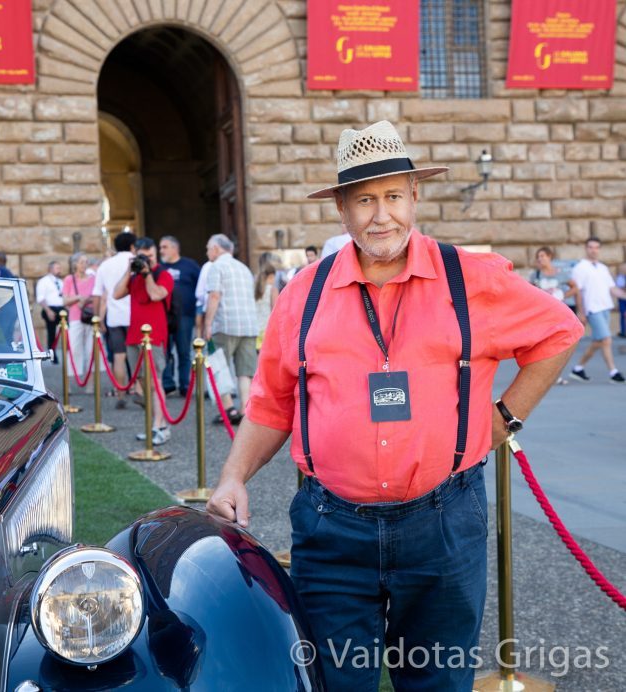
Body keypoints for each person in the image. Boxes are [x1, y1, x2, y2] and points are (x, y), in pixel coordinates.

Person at [205, 120, 583, 692]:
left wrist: (505, 418)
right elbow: (270, 403)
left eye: (392, 196)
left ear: (414, 196)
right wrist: (234, 476)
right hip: (331, 531)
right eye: (363, 200)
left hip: (444, 525)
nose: (381, 215)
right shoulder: (301, 295)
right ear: (341, 209)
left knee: (436, 682)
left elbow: (559, 332)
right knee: (335, 681)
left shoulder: (471, 279)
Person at [113, 237, 174, 445]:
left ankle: (160, 426)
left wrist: (147, 273)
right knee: (142, 382)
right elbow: (116, 293)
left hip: (155, 337)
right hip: (134, 336)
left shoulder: (163, 274)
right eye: (142, 256)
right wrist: (130, 270)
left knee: (156, 381)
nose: (146, 260)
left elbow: (156, 295)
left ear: (155, 254)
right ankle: (152, 425)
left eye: (149, 256)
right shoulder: (134, 276)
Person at [203, 233, 258, 424]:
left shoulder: (216, 267)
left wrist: (207, 324)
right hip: (249, 325)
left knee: (219, 367)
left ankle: (228, 409)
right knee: (245, 371)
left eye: (208, 248)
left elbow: (214, 296)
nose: (207, 252)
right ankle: (245, 409)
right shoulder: (243, 267)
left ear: (217, 248)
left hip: (224, 325)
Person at [570, 237, 626, 382]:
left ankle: (578, 369)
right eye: (590, 247)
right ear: (586, 248)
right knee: (606, 339)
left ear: (599, 249)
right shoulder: (580, 268)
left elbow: (613, 289)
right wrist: (581, 312)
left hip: (605, 307)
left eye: (596, 247)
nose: (593, 250)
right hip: (592, 309)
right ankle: (613, 372)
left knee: (599, 341)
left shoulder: (603, 268)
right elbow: (577, 291)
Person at [93, 231, 135, 408]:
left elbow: (97, 294)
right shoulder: (136, 261)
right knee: (139, 356)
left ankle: (120, 394)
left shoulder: (105, 265)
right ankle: (139, 390)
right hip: (135, 316)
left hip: (115, 316)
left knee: (118, 356)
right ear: (133, 246)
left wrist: (97, 318)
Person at [528, 246, 580, 385]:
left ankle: (555, 374)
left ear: (550, 257)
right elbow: (528, 294)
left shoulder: (560, 273)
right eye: (538, 257)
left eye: (543, 256)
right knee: (542, 346)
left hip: (558, 315)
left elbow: (575, 288)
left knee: (557, 346)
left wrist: (562, 294)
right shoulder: (536, 275)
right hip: (542, 316)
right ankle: (544, 375)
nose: (540, 259)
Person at [158, 235, 200, 396]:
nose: (162, 250)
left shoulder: (190, 266)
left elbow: (200, 288)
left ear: (175, 248)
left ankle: (185, 385)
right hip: (164, 316)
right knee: (164, 351)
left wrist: (198, 314)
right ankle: (168, 384)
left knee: (184, 351)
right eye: (161, 247)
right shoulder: (160, 267)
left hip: (185, 315)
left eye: (165, 247)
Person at [61, 252, 95, 383]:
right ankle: (69, 382)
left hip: (90, 317)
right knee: (74, 349)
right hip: (75, 318)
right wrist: (78, 298)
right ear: (75, 264)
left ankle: (91, 382)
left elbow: (97, 297)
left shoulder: (93, 278)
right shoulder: (69, 279)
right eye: (82, 262)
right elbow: (64, 301)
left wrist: (86, 300)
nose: (84, 265)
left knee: (91, 351)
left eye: (86, 262)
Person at [36, 260, 65, 365]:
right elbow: (41, 298)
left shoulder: (60, 282)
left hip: (61, 309)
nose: (59, 270)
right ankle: (52, 355)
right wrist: (48, 311)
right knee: (51, 333)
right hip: (50, 308)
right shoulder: (43, 281)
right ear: (50, 269)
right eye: (57, 268)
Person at [254, 253, 282, 350]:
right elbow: (276, 311)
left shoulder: (254, 287)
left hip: (254, 329)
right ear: (271, 276)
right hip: (267, 329)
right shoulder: (273, 289)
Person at [617, 261, 626, 338]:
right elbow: (620, 287)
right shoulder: (620, 277)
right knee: (623, 315)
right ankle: (623, 331)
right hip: (622, 299)